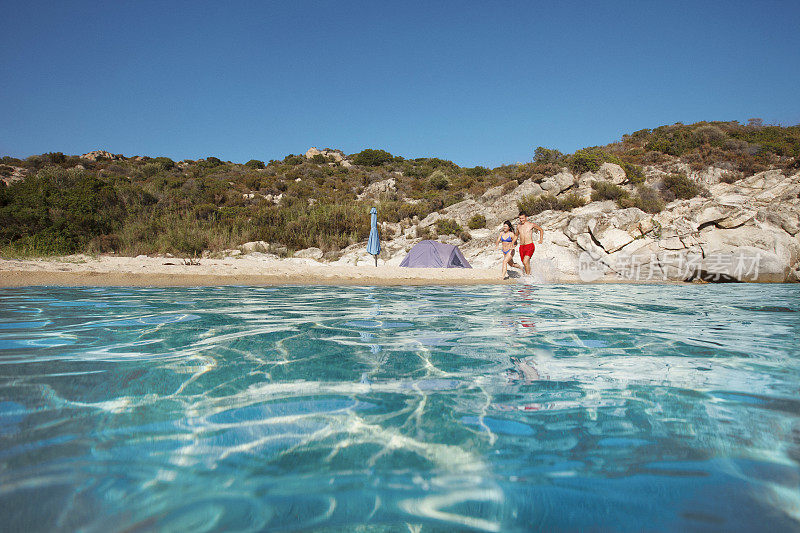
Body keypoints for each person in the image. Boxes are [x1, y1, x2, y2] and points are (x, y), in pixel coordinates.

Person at [516, 211, 544, 275]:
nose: (521, 220)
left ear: (526, 217)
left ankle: (528, 277)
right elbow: (516, 235)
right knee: (525, 263)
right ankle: (530, 274)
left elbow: (541, 230)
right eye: (520, 218)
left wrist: (541, 239)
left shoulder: (531, 225)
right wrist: (513, 243)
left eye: (522, 218)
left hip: (529, 246)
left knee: (525, 261)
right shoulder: (518, 226)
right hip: (522, 247)